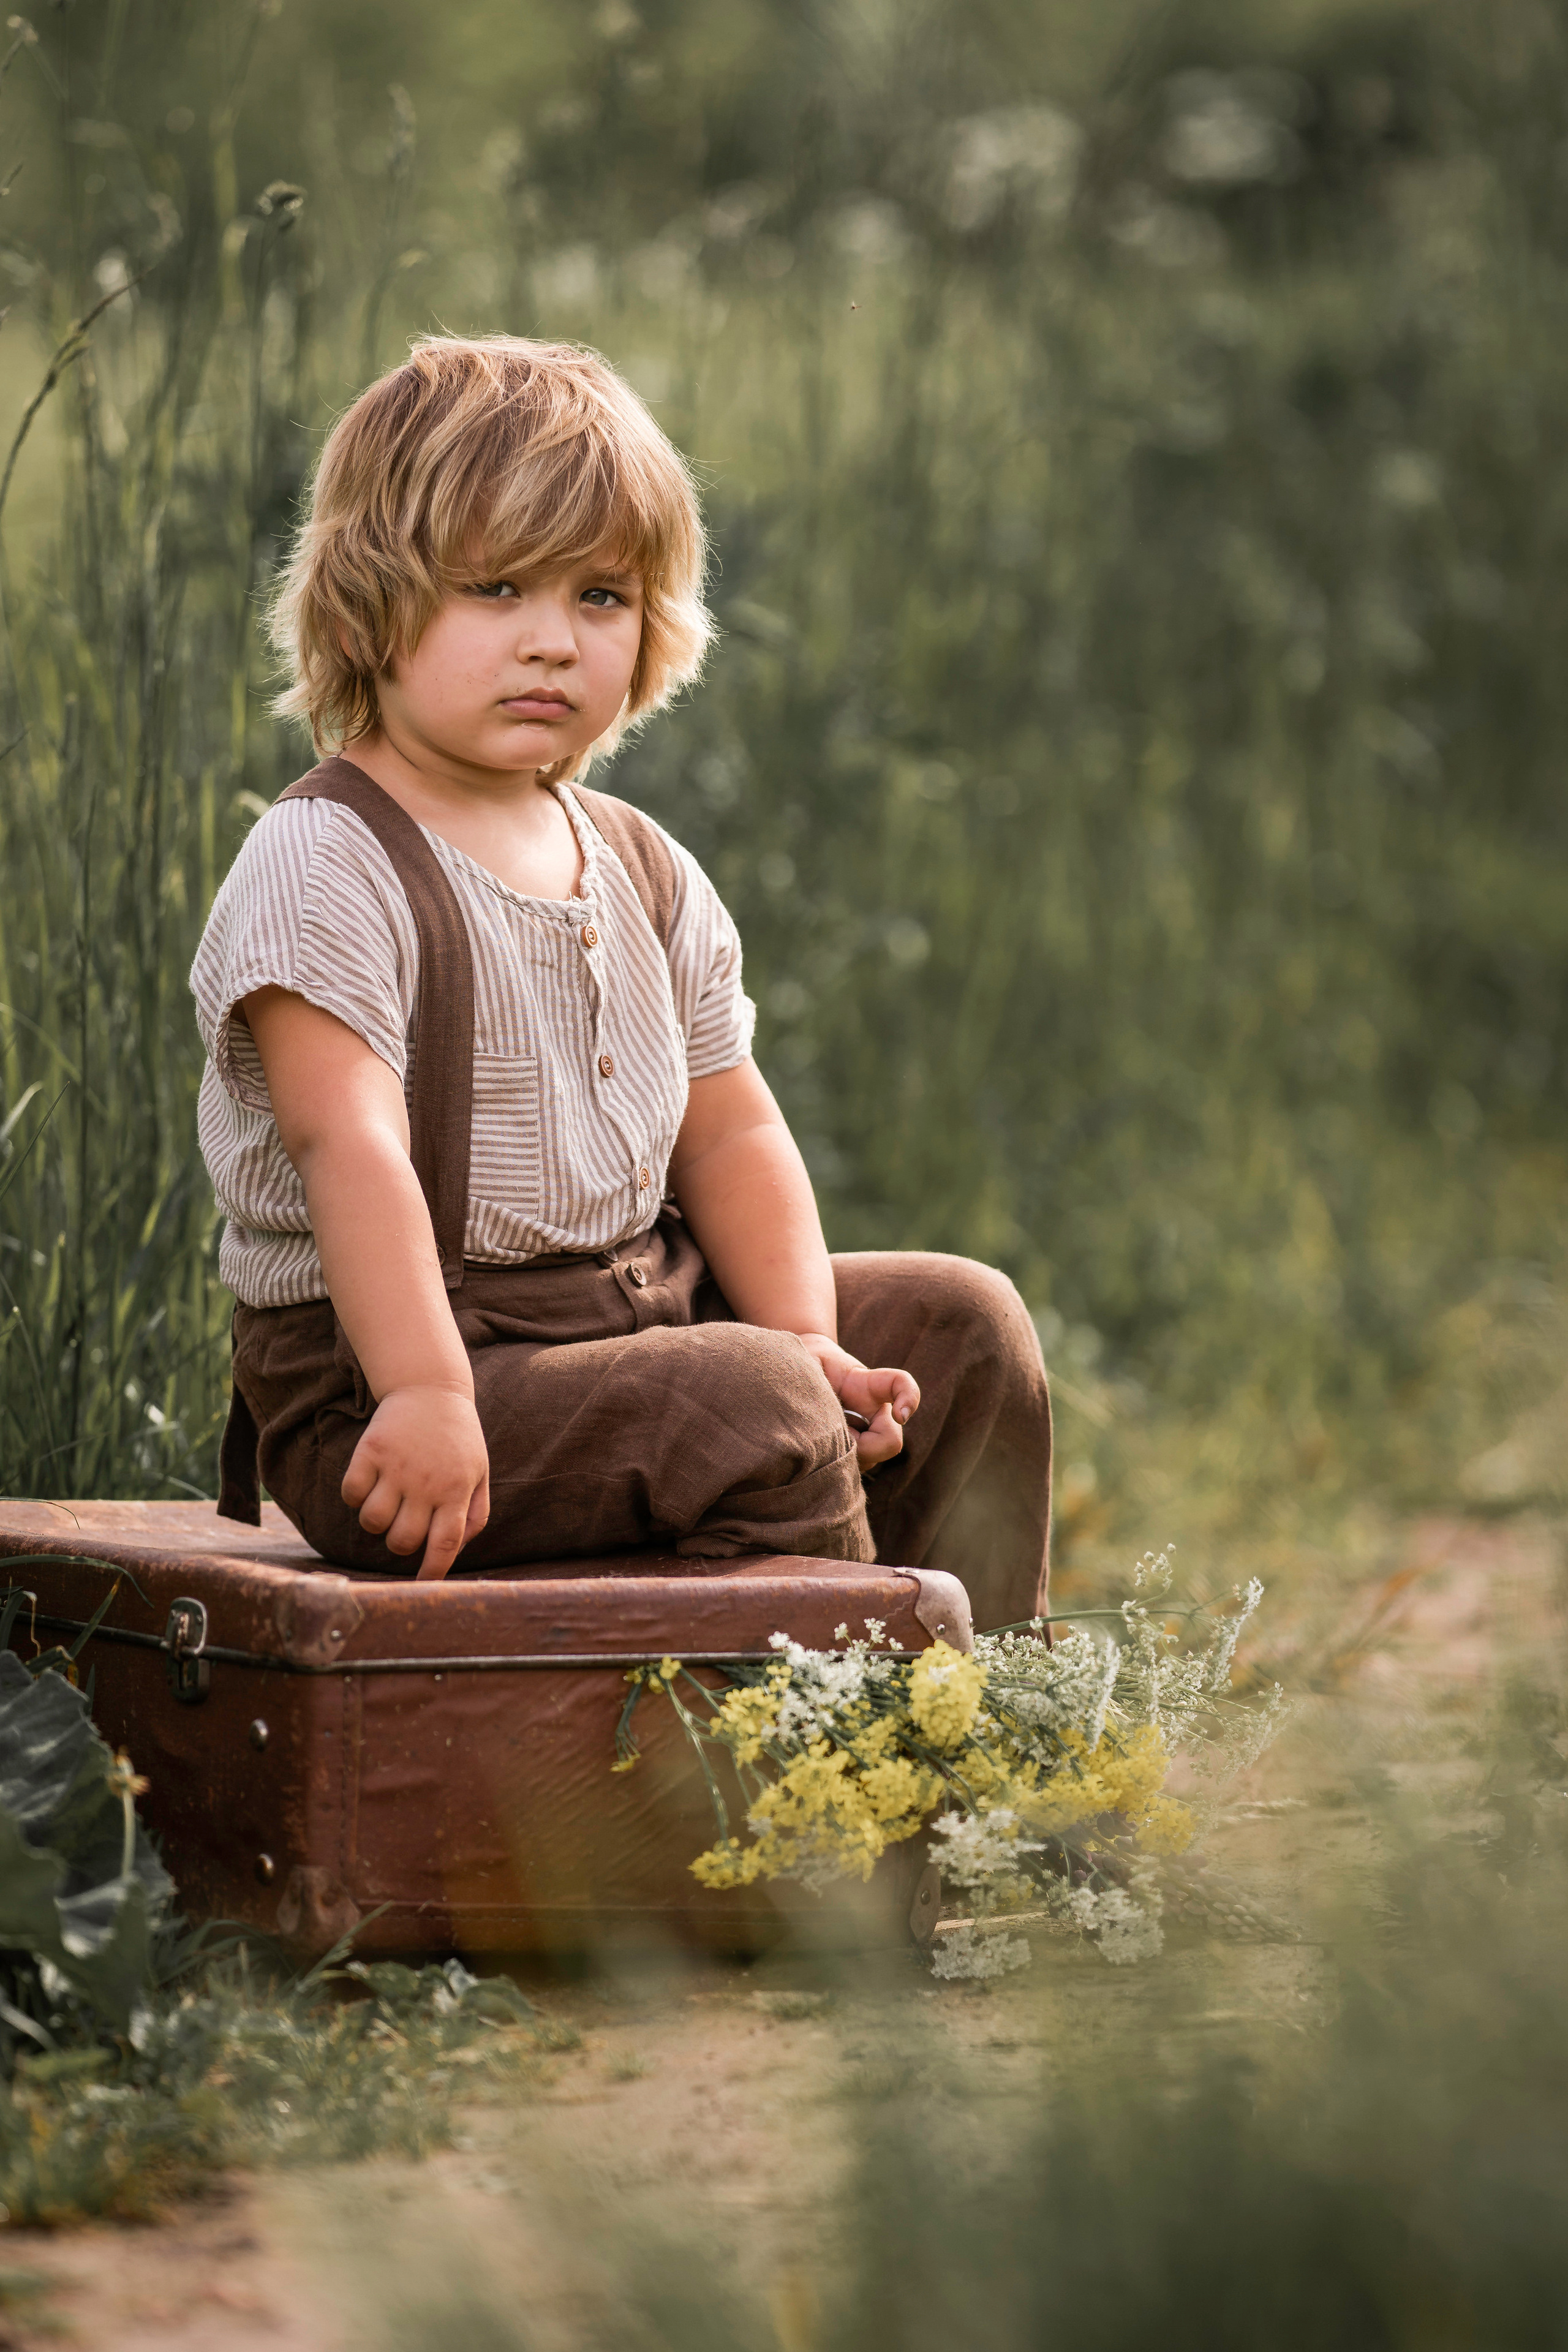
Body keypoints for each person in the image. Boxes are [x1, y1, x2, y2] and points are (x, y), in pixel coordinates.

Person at [192, 334, 1052, 1632]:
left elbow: (732, 1126)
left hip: (636, 1314)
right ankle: (834, 1772)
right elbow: (344, 1146)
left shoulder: (640, 863)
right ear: (370, 602)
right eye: (494, 589)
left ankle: (984, 1714)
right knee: (740, 1404)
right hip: (397, 1389)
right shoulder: (327, 859)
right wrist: (427, 1395)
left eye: (599, 598)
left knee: (960, 1323)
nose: (551, 643)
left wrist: (804, 1335)